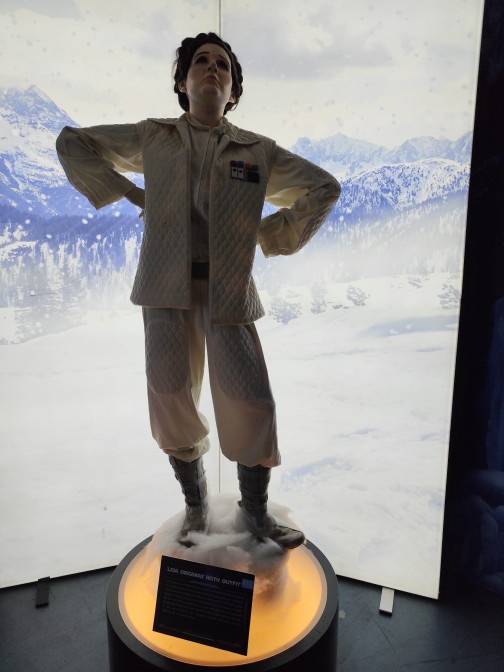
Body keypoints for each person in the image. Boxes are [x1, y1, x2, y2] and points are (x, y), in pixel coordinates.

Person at [56, 32, 341, 550]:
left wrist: (264, 234)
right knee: (170, 396)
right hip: (164, 286)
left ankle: (255, 511)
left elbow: (325, 188)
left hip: (231, 289)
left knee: (251, 399)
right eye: (201, 62)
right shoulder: (153, 136)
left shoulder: (257, 151)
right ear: (183, 82)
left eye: (223, 65)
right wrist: (132, 191)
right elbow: (72, 142)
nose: (212, 69)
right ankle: (195, 506)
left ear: (233, 90)